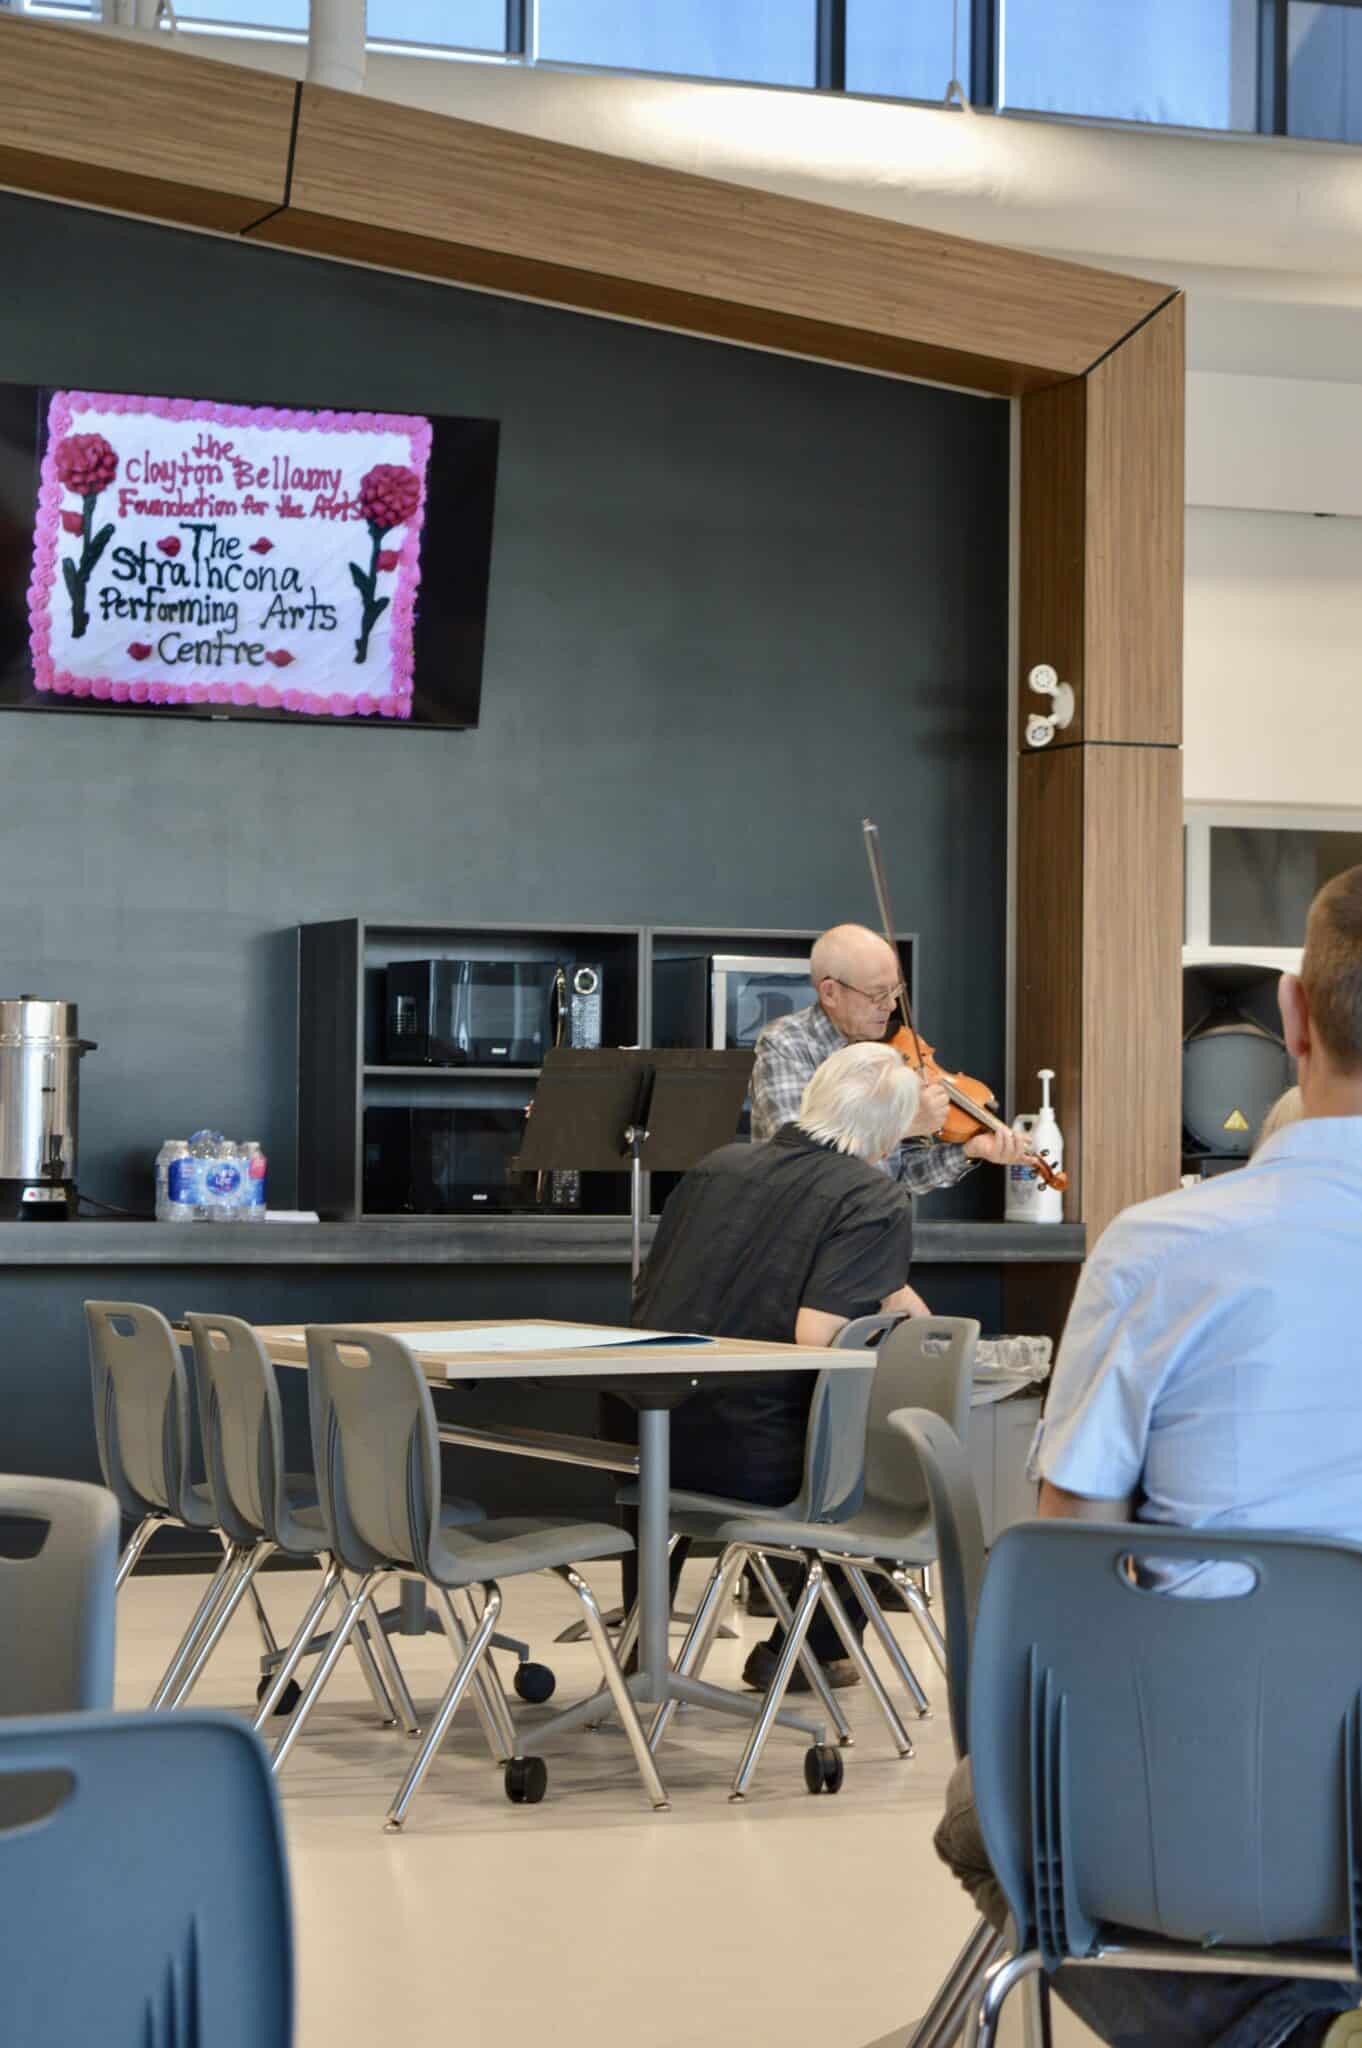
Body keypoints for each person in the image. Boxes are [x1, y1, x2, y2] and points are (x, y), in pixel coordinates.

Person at [935, 865, 1362, 2048]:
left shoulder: (1160, 1249)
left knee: (982, 1814)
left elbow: (1069, 1563)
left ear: (1293, 1016)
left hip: (1208, 1824)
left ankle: (1269, 2023)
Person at [626, 1040, 929, 1693]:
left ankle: (637, 1643)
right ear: (889, 1134)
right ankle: (807, 1650)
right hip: (756, 1461)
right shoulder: (872, 1196)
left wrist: (896, 1295)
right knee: (886, 1462)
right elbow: (818, 1336)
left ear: (815, 1098)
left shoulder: (715, 1167)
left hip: (650, 1440)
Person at [751, 923, 1026, 1189]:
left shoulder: (890, 1052)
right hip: (810, 1215)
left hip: (872, 1211)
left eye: (895, 990)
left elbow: (904, 1170)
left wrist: (969, 1150)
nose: (891, 1005)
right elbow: (799, 1156)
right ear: (830, 992)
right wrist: (902, 1125)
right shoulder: (786, 1043)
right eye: (877, 994)